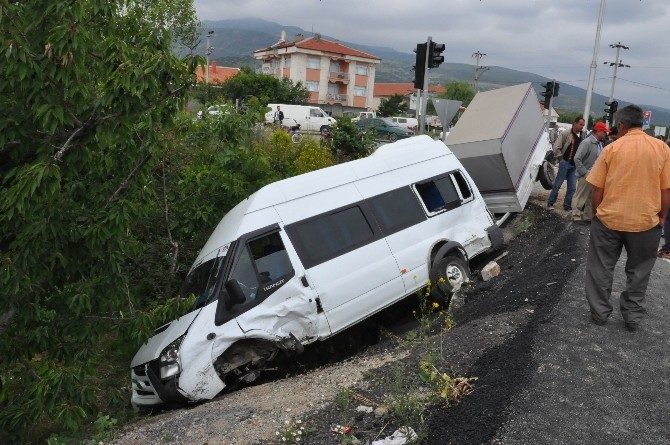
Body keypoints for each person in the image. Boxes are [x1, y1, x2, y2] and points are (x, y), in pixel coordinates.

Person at [584, 104, 670, 332]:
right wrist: (662, 217)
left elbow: (597, 189)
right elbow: (666, 190)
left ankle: (600, 313)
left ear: (621, 125)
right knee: (639, 271)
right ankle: (632, 318)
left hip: (609, 221)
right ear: (641, 122)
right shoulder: (661, 148)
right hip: (646, 222)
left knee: (601, 268)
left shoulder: (612, 149)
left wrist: (597, 214)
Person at [572, 121, 610, 223]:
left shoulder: (598, 144)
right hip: (587, 174)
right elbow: (577, 158)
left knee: (590, 197)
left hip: (593, 175)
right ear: (598, 131)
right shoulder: (587, 142)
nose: (605, 134)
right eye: (604, 132)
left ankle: (587, 217)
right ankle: (576, 216)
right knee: (581, 195)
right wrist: (584, 173)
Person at [547, 116, 586, 211]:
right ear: (575, 123)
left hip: (575, 165)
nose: (582, 127)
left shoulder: (582, 135)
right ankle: (550, 202)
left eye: (583, 125)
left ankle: (567, 205)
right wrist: (560, 159)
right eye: (581, 124)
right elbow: (556, 146)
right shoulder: (566, 133)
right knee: (558, 184)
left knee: (572, 187)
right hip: (565, 162)